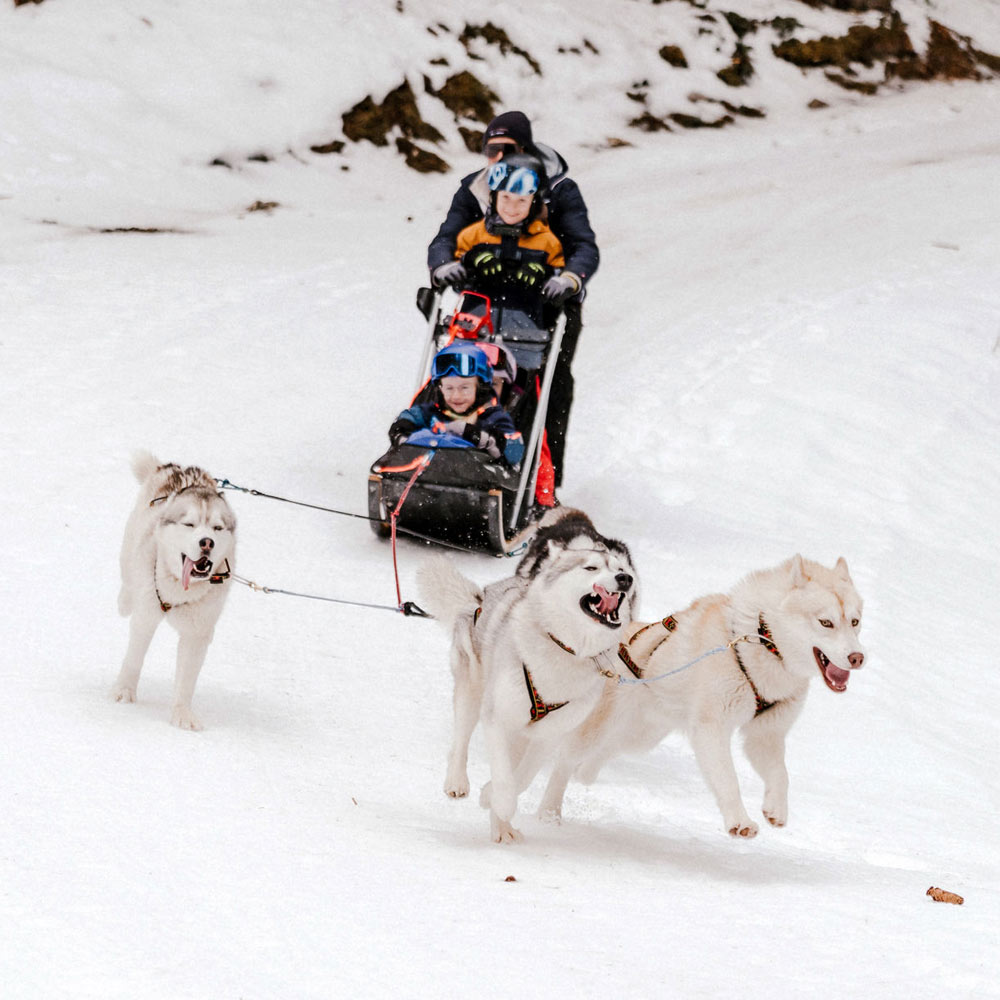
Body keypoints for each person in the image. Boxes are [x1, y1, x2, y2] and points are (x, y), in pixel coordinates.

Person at [426, 110, 598, 497]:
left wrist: (570, 278)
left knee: (545, 390)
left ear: (526, 148)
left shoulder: (559, 191)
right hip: (484, 303)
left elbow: (582, 246)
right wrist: (443, 266)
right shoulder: (476, 188)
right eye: (491, 150)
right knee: (468, 375)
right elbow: (447, 237)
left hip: (546, 308)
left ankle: (540, 486)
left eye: (507, 149)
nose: (498, 158)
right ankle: (448, 458)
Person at [389, 342, 525, 467]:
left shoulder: (493, 418)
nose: (456, 396)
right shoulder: (433, 412)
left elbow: (513, 450)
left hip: (474, 482)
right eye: (449, 388)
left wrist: (480, 437)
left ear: (480, 388)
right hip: (428, 476)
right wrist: (403, 429)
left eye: (464, 388)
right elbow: (412, 416)